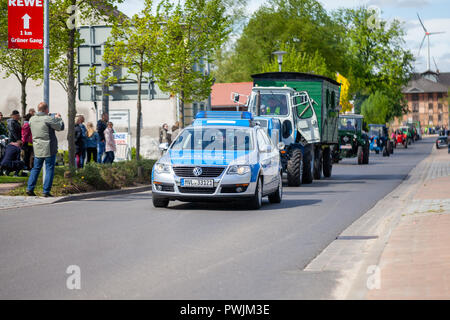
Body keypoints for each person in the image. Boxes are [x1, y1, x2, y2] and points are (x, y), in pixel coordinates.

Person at [26, 102, 65, 197]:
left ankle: (30, 188)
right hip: (49, 148)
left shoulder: (32, 119)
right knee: (49, 168)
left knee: (36, 168)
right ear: (46, 109)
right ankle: (46, 191)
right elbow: (60, 127)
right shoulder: (48, 118)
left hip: (37, 147)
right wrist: (58, 118)